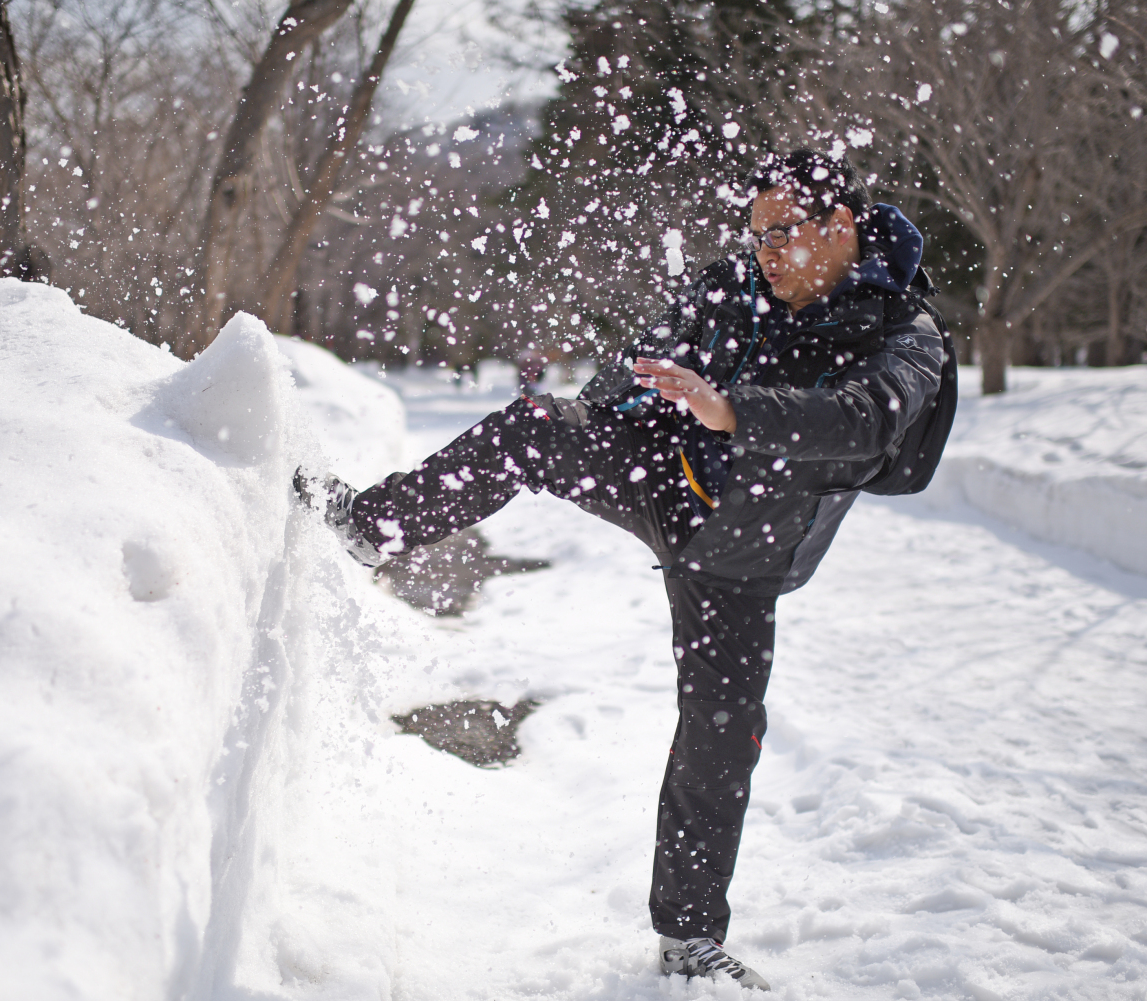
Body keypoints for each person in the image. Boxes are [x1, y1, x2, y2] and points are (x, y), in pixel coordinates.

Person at [295, 148, 947, 991]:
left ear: (840, 227)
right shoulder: (734, 286)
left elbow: (868, 422)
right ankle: (373, 528)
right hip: (664, 477)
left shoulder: (903, 331)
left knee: (719, 738)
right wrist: (602, 416)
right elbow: (644, 364)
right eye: (754, 237)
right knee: (530, 428)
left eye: (780, 234)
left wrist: (731, 406)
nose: (764, 255)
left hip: (746, 553)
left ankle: (688, 940)